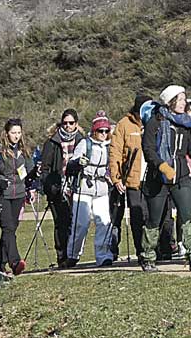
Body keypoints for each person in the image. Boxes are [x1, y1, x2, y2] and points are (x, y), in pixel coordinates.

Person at [141, 86, 191, 272]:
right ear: (170, 101)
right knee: (154, 219)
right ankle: (148, 256)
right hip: (158, 178)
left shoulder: (187, 124)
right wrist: (162, 165)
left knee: (188, 216)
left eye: (185, 99)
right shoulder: (155, 122)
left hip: (181, 175)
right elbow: (148, 149)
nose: (184, 103)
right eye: (181, 99)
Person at [110, 94, 174, 270]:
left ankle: (157, 249)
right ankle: (141, 251)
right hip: (133, 179)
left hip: (153, 177)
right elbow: (115, 151)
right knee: (138, 216)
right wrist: (116, 177)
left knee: (155, 215)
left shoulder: (157, 122)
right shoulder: (124, 125)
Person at [0, 119, 34, 276]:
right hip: (2, 194)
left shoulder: (22, 150)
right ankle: (15, 262)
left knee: (10, 230)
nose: (16, 136)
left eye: (19, 132)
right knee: (8, 228)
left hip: (18, 194)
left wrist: (34, 175)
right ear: (6, 133)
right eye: (13, 133)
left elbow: (29, 168)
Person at [66, 113, 115, 267]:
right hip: (83, 188)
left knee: (104, 222)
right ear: (95, 131)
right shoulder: (85, 144)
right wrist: (79, 163)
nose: (104, 134)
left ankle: (103, 256)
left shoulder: (110, 146)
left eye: (107, 131)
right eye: (101, 131)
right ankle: (73, 254)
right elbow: (70, 166)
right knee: (81, 224)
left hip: (101, 188)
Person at [40, 109, 85, 268]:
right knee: (61, 222)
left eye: (71, 123)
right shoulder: (52, 142)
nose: (68, 126)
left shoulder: (82, 141)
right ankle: (62, 256)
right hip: (57, 188)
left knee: (76, 222)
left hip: (77, 186)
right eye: (65, 123)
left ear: (76, 124)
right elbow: (44, 168)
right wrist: (49, 186)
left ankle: (73, 254)